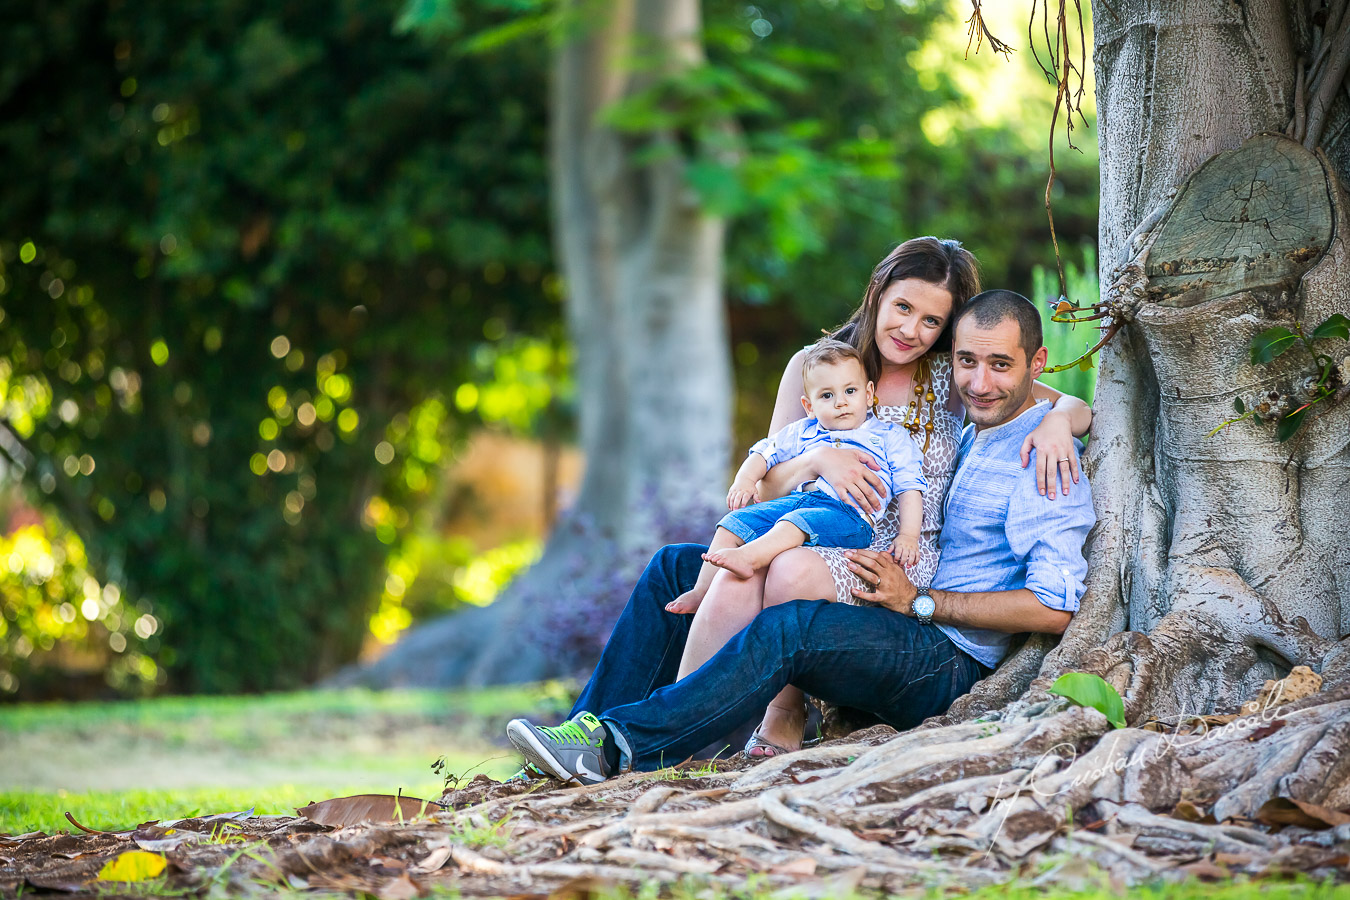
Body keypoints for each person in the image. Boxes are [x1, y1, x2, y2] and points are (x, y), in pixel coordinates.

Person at [505, 288, 1097, 784]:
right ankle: (576, 739)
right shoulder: (966, 421)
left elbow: (1055, 608)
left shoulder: (1045, 463)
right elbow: (783, 481)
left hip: (945, 657)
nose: (980, 380)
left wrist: (921, 601)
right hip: (894, 603)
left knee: (791, 618)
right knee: (679, 567)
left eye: (1000, 365)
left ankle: (620, 744)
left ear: (1035, 365)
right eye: (968, 362)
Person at [667, 338, 926, 616]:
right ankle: (701, 591)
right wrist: (745, 480)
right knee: (731, 523)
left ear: (868, 392)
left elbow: (910, 487)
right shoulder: (804, 431)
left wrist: (908, 535)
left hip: (852, 518)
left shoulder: (888, 436)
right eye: (827, 395)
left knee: (793, 522)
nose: (840, 403)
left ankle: (749, 558)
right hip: (801, 502)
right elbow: (764, 454)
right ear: (809, 405)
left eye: (850, 391)